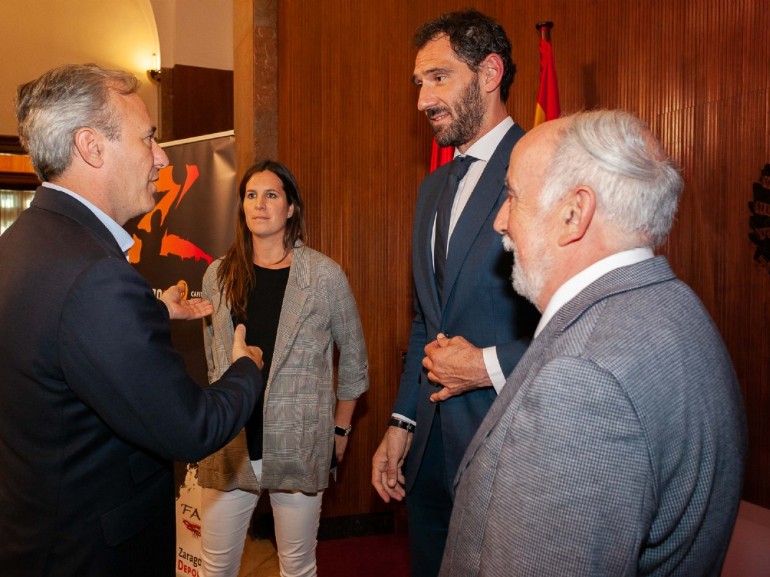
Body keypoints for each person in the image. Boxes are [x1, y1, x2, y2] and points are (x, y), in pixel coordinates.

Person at [440, 110, 748, 576]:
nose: (501, 221)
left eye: (513, 196)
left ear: (573, 213)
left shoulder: (582, 384)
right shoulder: (677, 307)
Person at [0, 64, 264, 577]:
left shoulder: (20, 244)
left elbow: (56, 341)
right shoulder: (95, 278)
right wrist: (246, 369)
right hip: (92, 552)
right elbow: (192, 427)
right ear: (92, 147)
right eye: (148, 138)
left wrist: (149, 310)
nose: (161, 158)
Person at [370, 9, 538, 577]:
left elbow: (578, 326)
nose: (422, 100)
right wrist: (403, 422)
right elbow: (427, 317)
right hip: (430, 457)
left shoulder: (544, 169)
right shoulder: (431, 188)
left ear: (489, 73)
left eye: (438, 78)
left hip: (507, 447)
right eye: (420, 83)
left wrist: (487, 366)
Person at [198, 160, 369, 577]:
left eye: (271, 195)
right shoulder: (217, 276)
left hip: (299, 440)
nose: (260, 204)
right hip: (231, 441)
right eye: (251, 195)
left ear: (291, 207)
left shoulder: (324, 276)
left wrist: (341, 428)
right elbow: (213, 359)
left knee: (297, 567)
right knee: (213, 568)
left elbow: (355, 357)